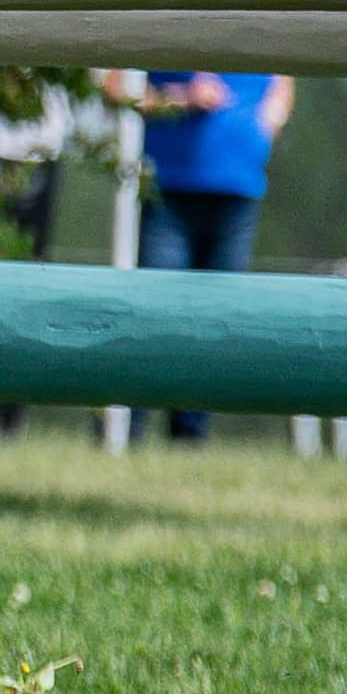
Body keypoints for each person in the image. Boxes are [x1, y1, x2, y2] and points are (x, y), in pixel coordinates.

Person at [96, 69, 293, 442]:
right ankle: (125, 429)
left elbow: (283, 82)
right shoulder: (160, 18)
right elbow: (114, 87)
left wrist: (268, 124)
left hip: (239, 192)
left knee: (215, 323)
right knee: (154, 316)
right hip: (167, 192)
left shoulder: (262, 18)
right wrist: (180, 98)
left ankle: (190, 435)